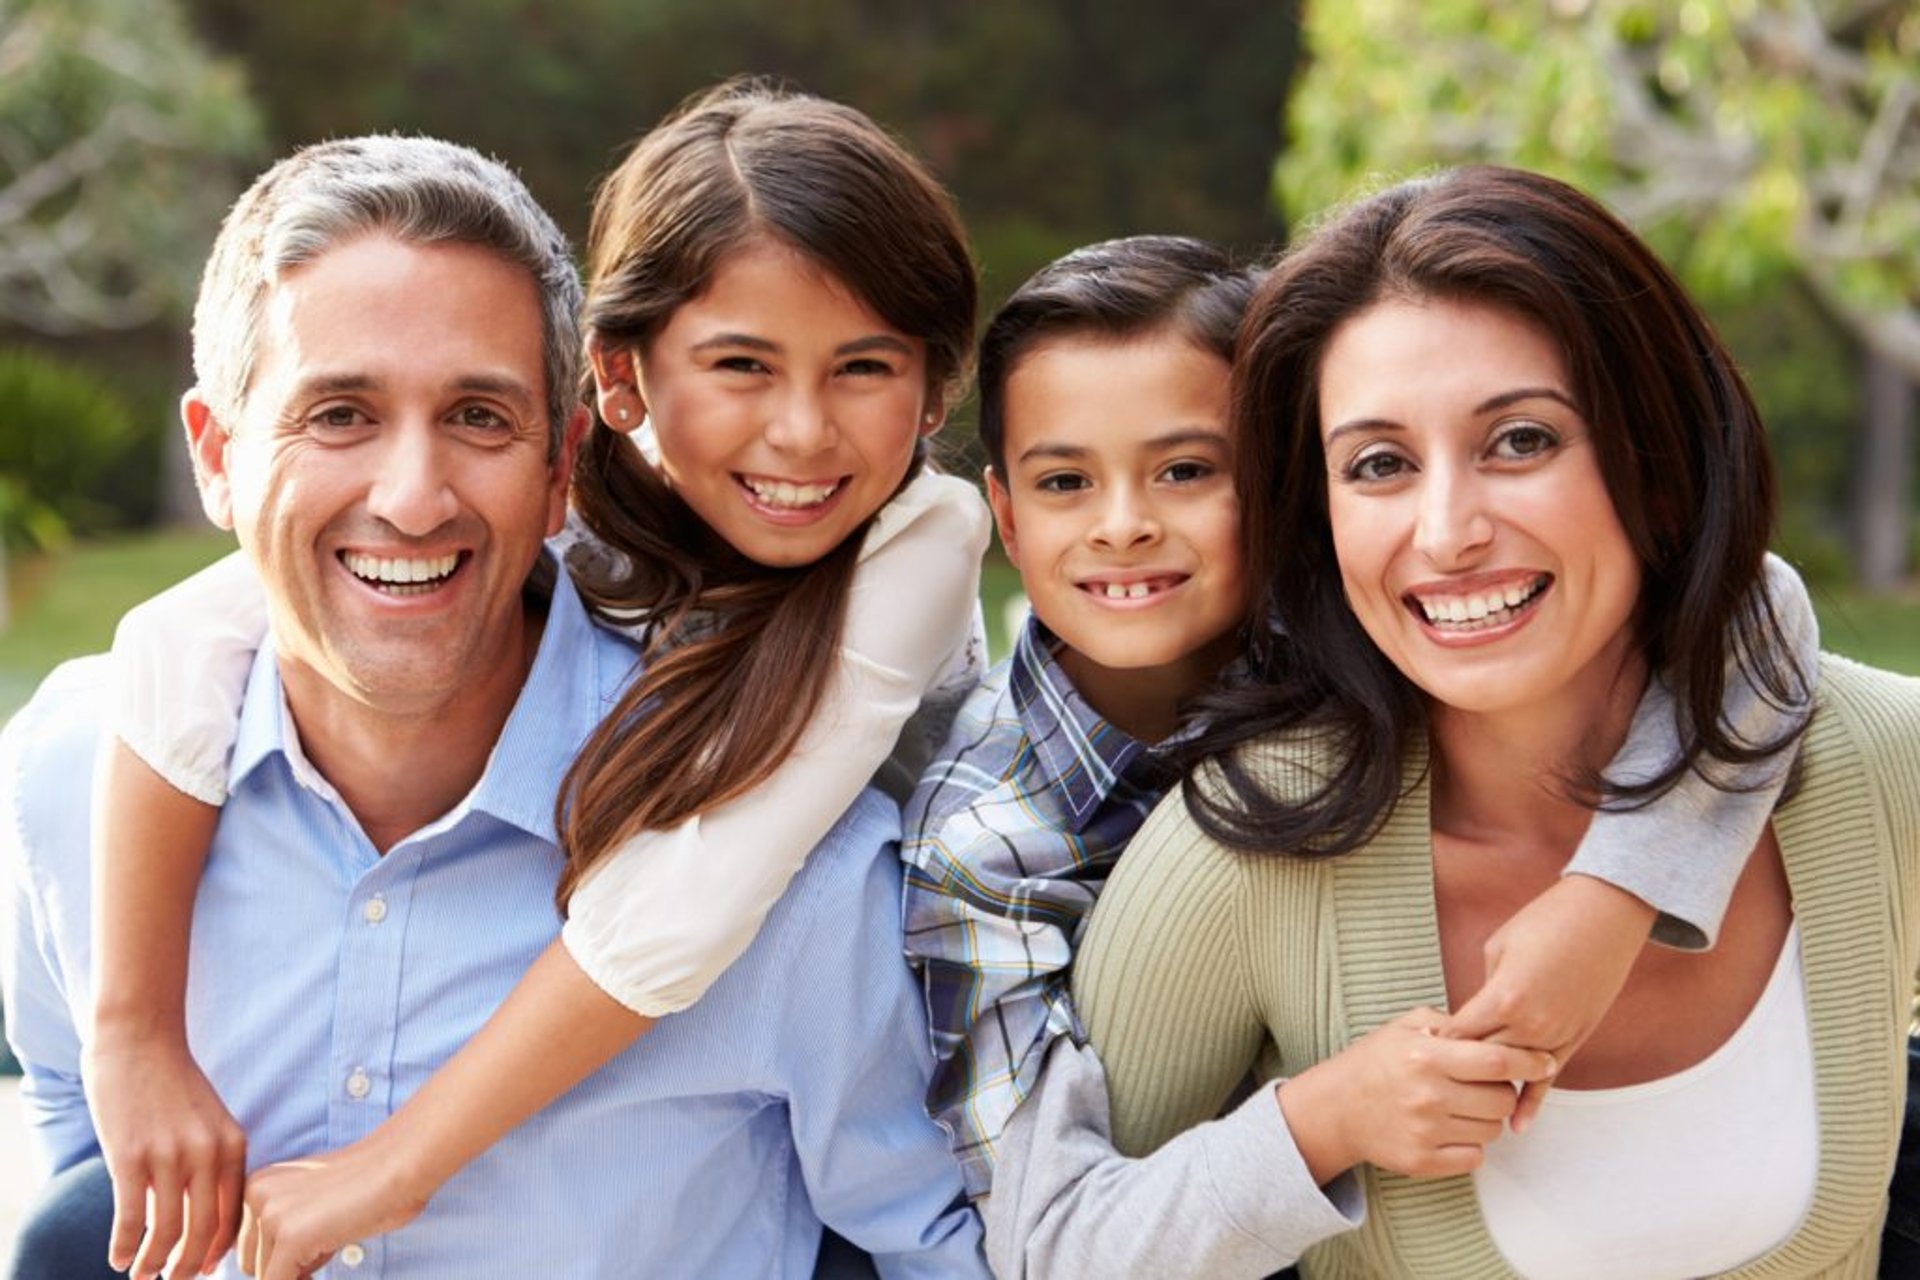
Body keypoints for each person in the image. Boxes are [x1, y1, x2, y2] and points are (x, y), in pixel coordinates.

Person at [3, 119, 985, 1279]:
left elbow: (681, 911)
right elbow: (85, 1165)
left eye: (478, 416)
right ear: (217, 456)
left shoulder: (814, 854)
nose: (414, 497)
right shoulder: (73, 776)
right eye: (339, 413)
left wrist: (394, 1166)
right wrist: (133, 1029)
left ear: (558, 460)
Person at [1056, 165, 1919, 1278]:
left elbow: (1756, 603)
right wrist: (1312, 1122)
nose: (1448, 528)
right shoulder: (1253, 846)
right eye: (1378, 464)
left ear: (1658, 462)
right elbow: (1049, 1245)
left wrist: (1624, 884)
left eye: (1521, 440)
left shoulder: (1874, 766)